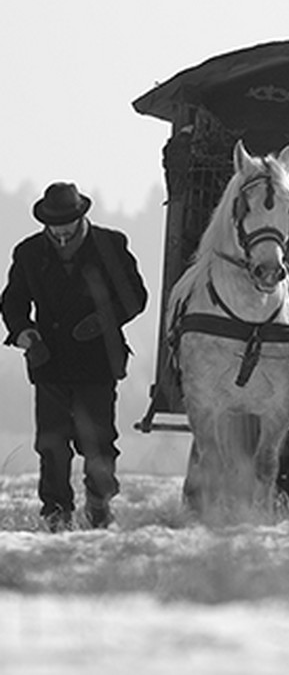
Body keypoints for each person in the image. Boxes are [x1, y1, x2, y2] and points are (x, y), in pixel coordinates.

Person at [1, 183, 148, 531]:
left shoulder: (111, 245)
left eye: (69, 223)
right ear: (45, 223)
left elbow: (135, 296)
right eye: (56, 226)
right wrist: (26, 335)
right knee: (51, 443)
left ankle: (99, 506)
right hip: (47, 362)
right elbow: (12, 303)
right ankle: (56, 513)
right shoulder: (28, 252)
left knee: (98, 442)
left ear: (82, 216)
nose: (62, 232)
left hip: (98, 362)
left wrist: (102, 320)